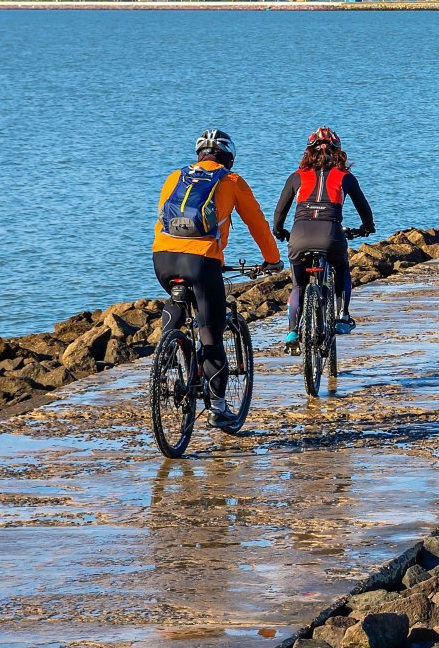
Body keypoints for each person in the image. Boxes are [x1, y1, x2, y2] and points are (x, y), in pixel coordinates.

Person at [152, 130, 281, 425]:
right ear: (229, 158)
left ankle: (165, 353)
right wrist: (272, 259)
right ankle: (218, 408)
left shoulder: (175, 177)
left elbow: (162, 218)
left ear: (199, 155)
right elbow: (257, 224)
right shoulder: (231, 181)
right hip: (202, 261)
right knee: (211, 333)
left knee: (177, 300)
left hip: (163, 258)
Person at [272, 127, 376, 346]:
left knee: (299, 285)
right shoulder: (345, 177)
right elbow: (364, 208)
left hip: (299, 234)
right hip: (331, 234)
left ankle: (292, 332)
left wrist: (279, 230)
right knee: (341, 268)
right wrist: (367, 227)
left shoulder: (296, 176)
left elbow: (280, 211)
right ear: (338, 152)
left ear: (308, 152)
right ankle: (342, 317)